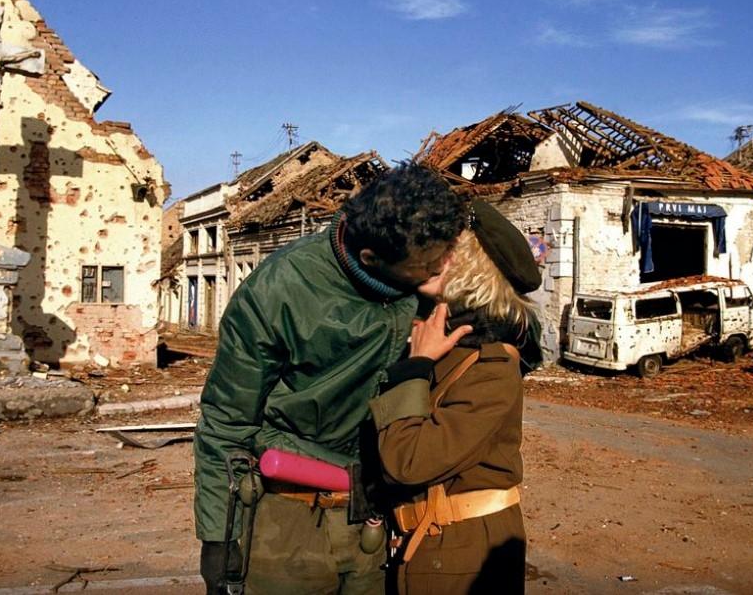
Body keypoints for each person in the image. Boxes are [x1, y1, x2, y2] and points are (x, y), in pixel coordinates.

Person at [194, 164, 467, 595]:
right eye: (430, 264)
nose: (446, 267)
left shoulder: (423, 276)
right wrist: (219, 539)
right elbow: (227, 420)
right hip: (286, 521)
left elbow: (518, 326)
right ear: (371, 260)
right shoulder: (278, 290)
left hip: (372, 518)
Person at [369, 199, 542, 595]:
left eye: (447, 251)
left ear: (473, 267)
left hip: (462, 556)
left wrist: (414, 368)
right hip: (430, 544)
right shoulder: (445, 344)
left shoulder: (492, 363)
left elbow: (407, 461)